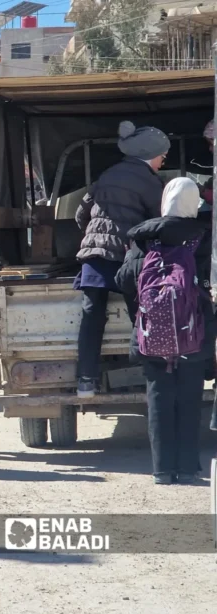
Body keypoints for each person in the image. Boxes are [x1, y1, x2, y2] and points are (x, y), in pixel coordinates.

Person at [115, 178, 213, 485]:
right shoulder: (205, 238)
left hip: (151, 334)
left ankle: (161, 470)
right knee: (189, 401)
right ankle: (186, 468)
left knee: (158, 400)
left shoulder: (145, 239)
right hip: (195, 334)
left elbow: (124, 280)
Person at [75, 122, 168, 399]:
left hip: (94, 256)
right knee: (141, 315)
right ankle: (151, 373)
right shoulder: (150, 182)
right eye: (163, 155)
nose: (164, 161)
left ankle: (86, 381)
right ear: (151, 154)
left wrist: (92, 235)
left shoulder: (107, 175)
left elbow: (82, 212)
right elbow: (159, 223)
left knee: (91, 316)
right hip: (130, 257)